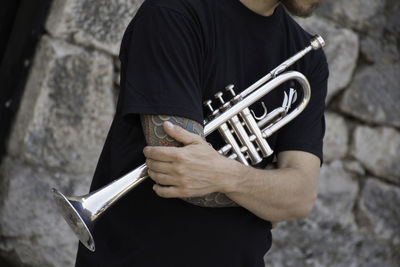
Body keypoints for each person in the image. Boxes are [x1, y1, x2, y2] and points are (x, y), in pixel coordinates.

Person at [75, 0, 328, 266]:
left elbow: (300, 197)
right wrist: (268, 193)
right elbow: (179, 167)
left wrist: (228, 176)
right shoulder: (174, 11)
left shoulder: (307, 56)